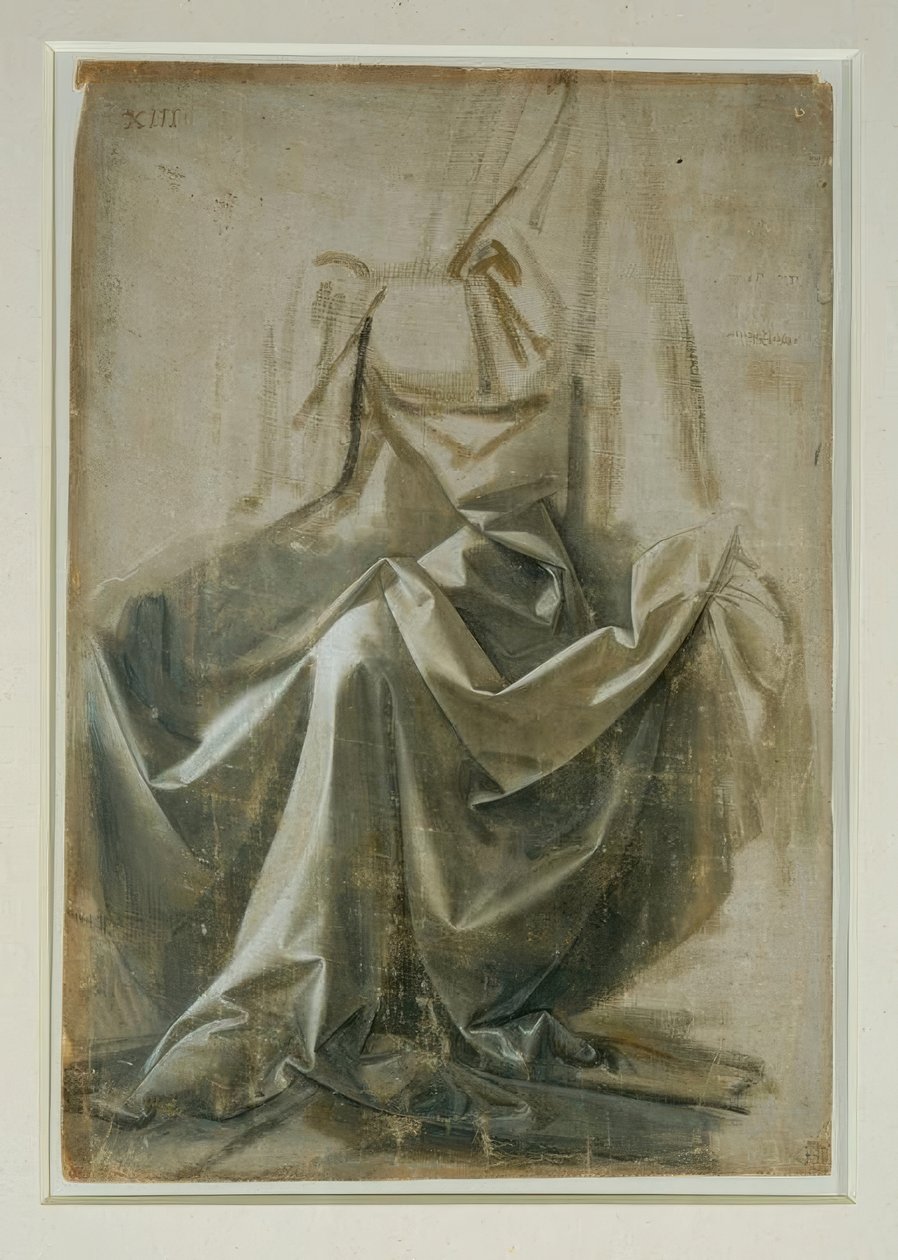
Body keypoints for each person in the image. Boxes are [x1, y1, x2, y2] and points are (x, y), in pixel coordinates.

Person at [82, 76, 788, 1156]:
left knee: (360, 656)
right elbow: (315, 478)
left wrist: (376, 301)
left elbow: (529, 394)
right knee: (132, 634)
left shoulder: (567, 153)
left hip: (501, 563)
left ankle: (307, 994)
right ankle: (240, 979)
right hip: (367, 527)